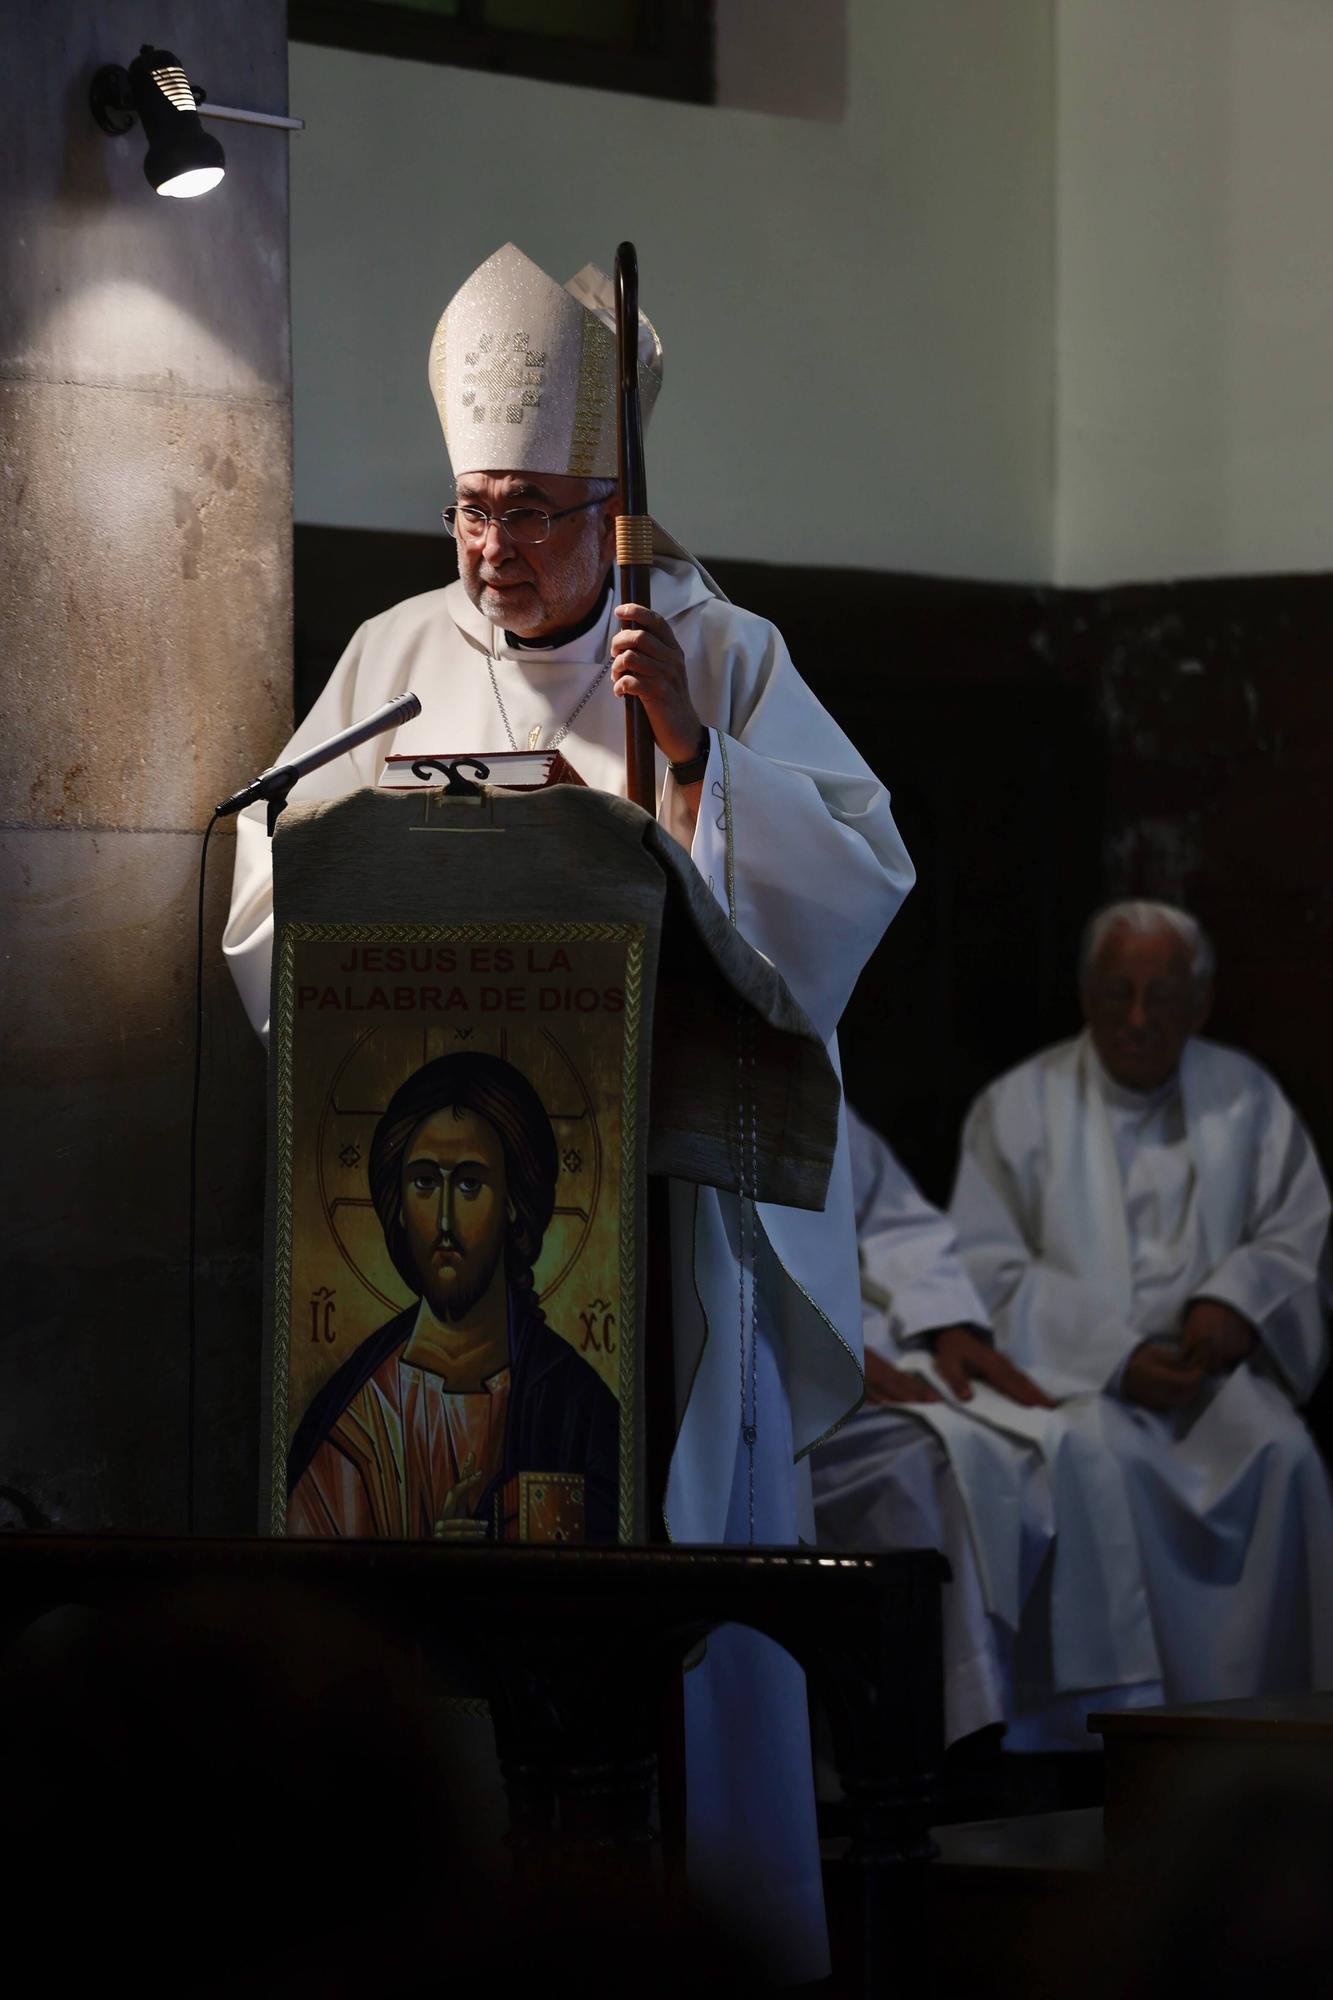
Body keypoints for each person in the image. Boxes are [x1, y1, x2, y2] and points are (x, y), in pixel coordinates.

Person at [223, 242, 914, 1981]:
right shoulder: (389, 656)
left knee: (666, 1613)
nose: (490, 550)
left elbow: (851, 882)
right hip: (411, 1265)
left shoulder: (712, 649)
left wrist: (687, 756)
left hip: (654, 1234)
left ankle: (699, 1944)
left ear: (612, 509)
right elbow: (262, 894)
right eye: (471, 507)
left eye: (531, 512)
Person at [948, 899, 1333, 1713]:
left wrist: (1233, 1301)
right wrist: (1116, 1358)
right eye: (1116, 993)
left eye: (1160, 998)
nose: (1135, 1019)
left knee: (1286, 1460)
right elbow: (984, 1273)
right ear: (1086, 996)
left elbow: (1296, 1234)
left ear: (1198, 1005)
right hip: (1085, 1384)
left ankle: (1274, 1727)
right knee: (1105, 1468)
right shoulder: (1017, 1106)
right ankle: (1122, 1731)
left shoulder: (1245, 1097)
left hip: (1210, 1382)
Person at [813, 1108, 1161, 1749]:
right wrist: (823, 1348)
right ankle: (946, 1737)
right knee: (937, 1463)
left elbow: (896, 1220)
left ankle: (1069, 1730)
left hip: (893, 1341)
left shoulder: (808, 1065)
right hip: (790, 1371)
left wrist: (948, 1322)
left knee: (1063, 1445)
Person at [287, 1052, 618, 1543]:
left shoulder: (574, 1406)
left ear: (512, 1201)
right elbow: (307, 1595)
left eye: (469, 1184)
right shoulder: (353, 1414)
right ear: (398, 1205)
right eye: (423, 1182)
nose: (443, 1220)